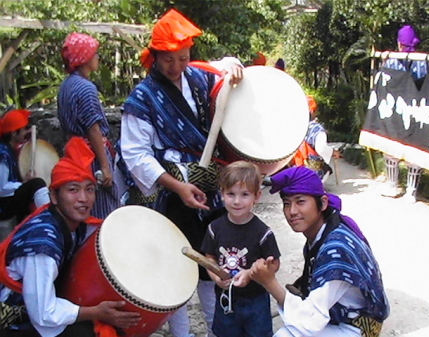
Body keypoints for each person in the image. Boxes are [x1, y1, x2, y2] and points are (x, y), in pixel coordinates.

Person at [119, 8, 243, 337]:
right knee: (174, 268)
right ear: (154, 57)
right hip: (170, 195)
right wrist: (177, 186)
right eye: (168, 60)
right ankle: (182, 334)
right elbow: (134, 154)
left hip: (207, 188)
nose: (176, 67)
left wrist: (230, 65)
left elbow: (223, 72)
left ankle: (218, 329)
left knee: (210, 264)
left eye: (183, 58)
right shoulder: (142, 99)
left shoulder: (198, 77)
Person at [0, 137, 140, 337]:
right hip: (14, 322)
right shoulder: (42, 245)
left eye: (89, 190)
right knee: (99, 332)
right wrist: (95, 312)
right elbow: (43, 314)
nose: (83, 199)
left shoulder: (77, 225)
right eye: (73, 190)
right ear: (54, 196)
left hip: (38, 309)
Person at [250, 166, 389, 337]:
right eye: (287, 203)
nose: (292, 211)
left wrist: (269, 282)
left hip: (356, 327)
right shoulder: (325, 230)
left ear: (322, 203)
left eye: (300, 201)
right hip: (340, 316)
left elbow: (311, 321)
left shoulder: (336, 249)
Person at [201, 161, 281, 337]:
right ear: (222, 194)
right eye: (231, 194)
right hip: (226, 300)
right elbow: (209, 259)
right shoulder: (214, 228)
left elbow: (274, 264)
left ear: (256, 196)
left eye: (245, 194)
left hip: (256, 300)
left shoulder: (263, 233)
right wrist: (216, 277)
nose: (237, 201)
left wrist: (251, 273)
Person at [57, 32, 119, 219]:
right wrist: (104, 166)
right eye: (94, 53)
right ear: (84, 58)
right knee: (101, 206)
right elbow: (93, 128)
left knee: (81, 205)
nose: (97, 57)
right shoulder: (85, 88)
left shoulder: (66, 86)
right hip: (90, 156)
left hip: (74, 153)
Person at [381, 25, 427, 202]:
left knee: (392, 147)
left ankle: (393, 185)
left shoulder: (393, 60)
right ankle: (411, 191)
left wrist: (385, 60)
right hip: (417, 110)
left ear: (399, 43)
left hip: (397, 111)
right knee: (413, 149)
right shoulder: (422, 61)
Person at [0, 109, 50, 224]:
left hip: (7, 201)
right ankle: (50, 218)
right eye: (24, 129)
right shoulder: (2, 153)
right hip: (3, 205)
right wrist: (24, 184)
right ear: (14, 133)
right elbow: (1, 188)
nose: (26, 132)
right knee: (37, 183)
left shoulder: (9, 149)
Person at [290, 95, 340, 182]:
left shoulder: (295, 127)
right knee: (327, 169)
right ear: (312, 111)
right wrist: (332, 152)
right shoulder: (316, 129)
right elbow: (321, 148)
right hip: (311, 171)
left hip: (296, 169)